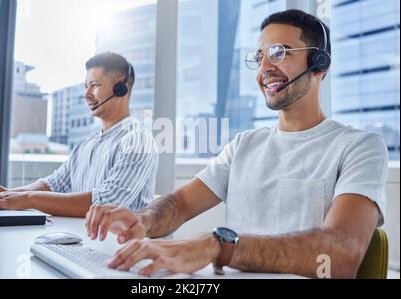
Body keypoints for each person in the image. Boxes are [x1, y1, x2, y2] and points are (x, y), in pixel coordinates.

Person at [84, 10, 389, 279]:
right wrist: (144, 218)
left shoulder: (359, 147)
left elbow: (340, 256)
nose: (265, 68)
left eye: (280, 52)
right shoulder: (245, 145)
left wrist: (220, 247)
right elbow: (179, 205)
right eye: (260, 57)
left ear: (319, 64)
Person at [0, 52, 159, 217]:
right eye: (86, 86)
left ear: (120, 87)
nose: (87, 94)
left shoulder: (139, 141)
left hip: (117, 248)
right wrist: (8, 195)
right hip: (78, 242)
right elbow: (53, 184)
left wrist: (27, 199)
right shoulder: (87, 143)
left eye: (94, 85)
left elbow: (108, 203)